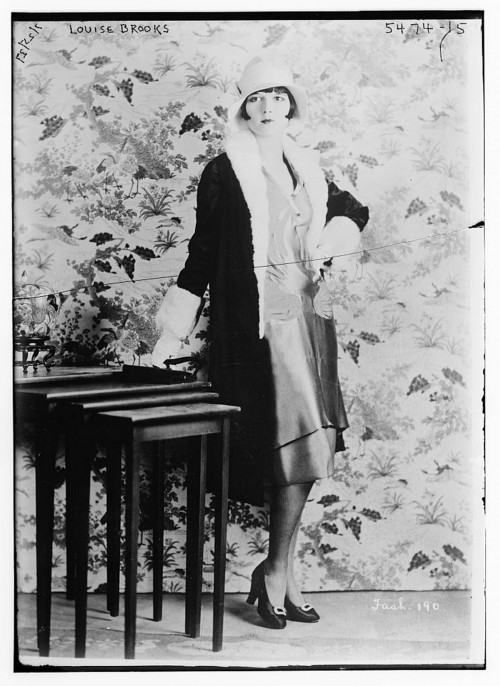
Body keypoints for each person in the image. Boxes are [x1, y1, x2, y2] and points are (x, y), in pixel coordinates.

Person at [152, 54, 369, 630]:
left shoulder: (309, 166)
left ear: (291, 104)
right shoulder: (224, 171)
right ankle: (277, 572)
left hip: (304, 316)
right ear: (243, 108)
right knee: (290, 449)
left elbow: (353, 211)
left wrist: (331, 238)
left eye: (278, 96)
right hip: (256, 327)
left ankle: (279, 571)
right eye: (257, 98)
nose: (268, 106)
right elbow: (202, 253)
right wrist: (170, 332)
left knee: (308, 449)